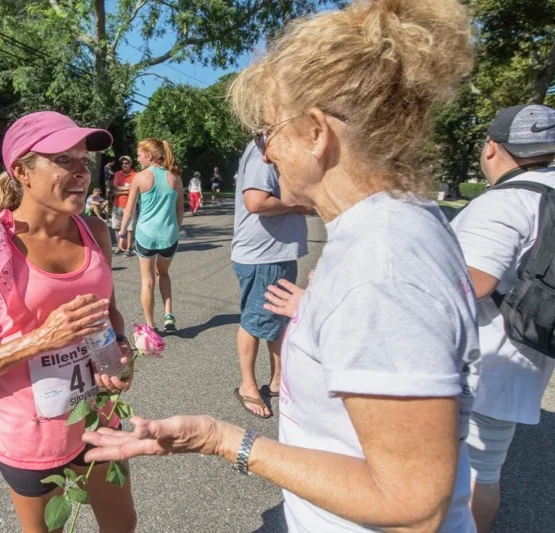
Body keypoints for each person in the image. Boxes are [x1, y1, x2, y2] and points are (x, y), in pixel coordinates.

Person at [83, 2, 480, 532]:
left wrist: (223, 440)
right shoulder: (391, 228)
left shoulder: (381, 265)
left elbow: (411, 505)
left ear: (316, 132)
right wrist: (317, 310)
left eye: (267, 132)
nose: (265, 154)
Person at [0, 110, 136, 533]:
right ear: (22, 171)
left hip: (99, 415)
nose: (81, 171)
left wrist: (120, 346)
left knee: (122, 526)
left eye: (84, 161)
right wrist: (41, 339)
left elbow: (109, 309)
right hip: (31, 435)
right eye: (64, 159)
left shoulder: (95, 230)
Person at [450, 104, 555, 533]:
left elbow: (472, 284)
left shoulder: (504, 202)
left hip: (487, 359)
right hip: (527, 349)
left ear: (491, 147)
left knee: (471, 471)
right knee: (486, 466)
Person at [231, 140, 310, 418]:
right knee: (254, 322)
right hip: (263, 256)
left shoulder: (276, 148)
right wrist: (299, 204)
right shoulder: (261, 149)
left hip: (276, 253)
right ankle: (247, 386)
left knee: (277, 319)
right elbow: (256, 201)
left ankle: (278, 381)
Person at [118, 139, 183, 332]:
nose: (137, 159)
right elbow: (180, 211)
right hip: (168, 236)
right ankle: (168, 314)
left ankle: (150, 325)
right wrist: (175, 230)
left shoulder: (140, 177)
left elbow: (129, 210)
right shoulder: (175, 177)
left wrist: (122, 233)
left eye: (139, 155)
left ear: (149, 156)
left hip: (146, 235)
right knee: (163, 273)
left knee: (147, 281)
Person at [111, 155, 136, 255]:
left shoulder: (135, 175)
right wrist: (127, 190)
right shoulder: (118, 173)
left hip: (130, 205)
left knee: (130, 228)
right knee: (117, 226)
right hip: (117, 204)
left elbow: (134, 189)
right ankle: (120, 246)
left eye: (126, 163)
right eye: (122, 163)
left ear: (130, 164)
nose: (124, 165)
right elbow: (115, 186)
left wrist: (118, 192)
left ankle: (129, 248)